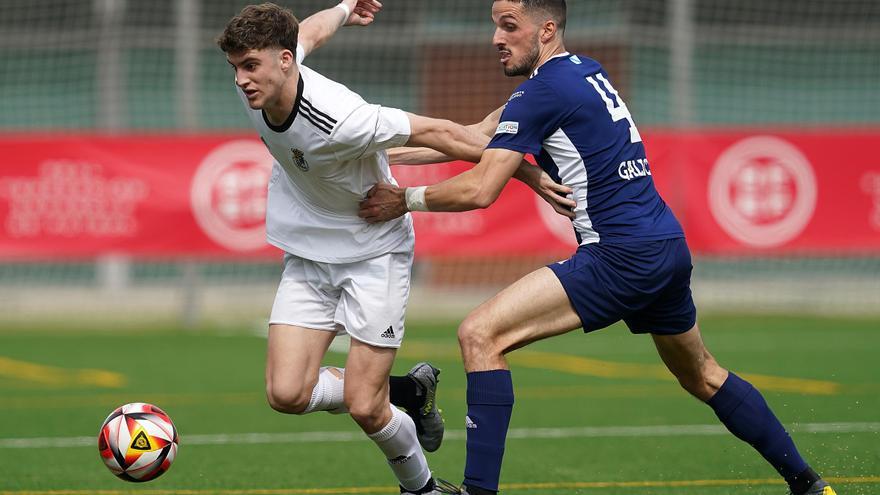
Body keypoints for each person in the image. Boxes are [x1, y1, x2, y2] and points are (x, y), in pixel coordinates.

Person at [357, 2, 837, 495]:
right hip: (664, 244)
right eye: (494, 26)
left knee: (481, 336)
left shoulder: (540, 91)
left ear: (546, 29)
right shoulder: (582, 71)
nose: (496, 39)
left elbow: (480, 190)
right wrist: (362, 149)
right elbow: (474, 138)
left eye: (508, 26)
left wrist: (405, 199)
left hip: (620, 253)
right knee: (704, 375)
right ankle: (809, 484)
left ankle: (479, 491)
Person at [216, 3, 569, 494]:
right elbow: (309, 31)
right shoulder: (271, 76)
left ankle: (421, 488)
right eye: (235, 67)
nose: (240, 80)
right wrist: (343, 7)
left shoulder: (343, 119)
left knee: (365, 405)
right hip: (308, 255)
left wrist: (526, 172)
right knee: (286, 393)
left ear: (283, 61)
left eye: (249, 66)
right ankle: (410, 389)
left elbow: (446, 135)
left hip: (372, 254)